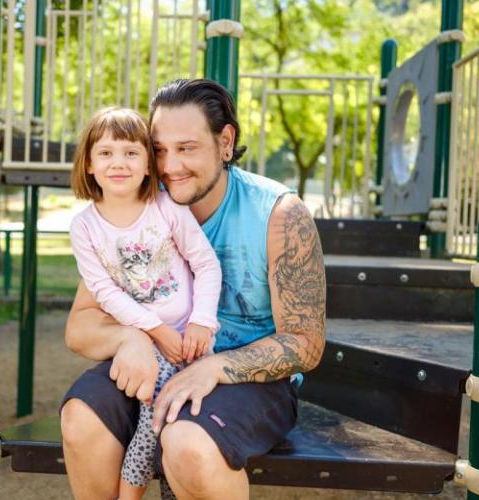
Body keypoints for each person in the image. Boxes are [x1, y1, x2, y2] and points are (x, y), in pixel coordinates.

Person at [61, 79, 326, 500]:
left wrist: (213, 368)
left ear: (225, 141)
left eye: (187, 148)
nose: (170, 166)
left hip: (251, 380)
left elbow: (307, 344)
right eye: (160, 150)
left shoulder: (277, 214)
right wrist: (130, 337)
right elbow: (80, 326)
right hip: (160, 359)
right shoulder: (139, 207)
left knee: (189, 447)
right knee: (81, 418)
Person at [67, 106, 222, 499]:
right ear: (88, 164)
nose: (118, 163)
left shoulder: (165, 208)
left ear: (149, 165)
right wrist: (153, 331)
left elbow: (205, 264)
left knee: (156, 423)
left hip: (187, 342)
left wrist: (202, 323)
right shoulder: (84, 227)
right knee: (150, 420)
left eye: (131, 153)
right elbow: (104, 291)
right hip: (147, 341)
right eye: (105, 153)